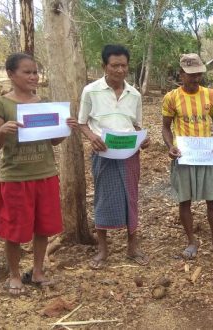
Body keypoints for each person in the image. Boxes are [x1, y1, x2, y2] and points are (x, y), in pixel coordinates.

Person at [0, 53, 75, 295]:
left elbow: (54, 141)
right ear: (11, 74)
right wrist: (3, 130)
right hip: (16, 177)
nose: (33, 77)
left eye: (35, 72)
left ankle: (37, 271)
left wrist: (65, 128)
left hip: (45, 173)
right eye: (27, 72)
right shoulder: (0, 105)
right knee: (14, 229)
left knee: (43, 227)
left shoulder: (43, 104)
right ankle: (14, 275)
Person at [78, 45, 150, 269]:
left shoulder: (134, 94)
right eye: (114, 65)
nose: (120, 70)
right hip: (104, 152)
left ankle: (132, 247)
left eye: (124, 65)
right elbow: (82, 122)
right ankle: (102, 249)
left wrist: (143, 139)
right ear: (104, 66)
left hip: (129, 153)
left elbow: (136, 124)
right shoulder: (91, 91)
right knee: (103, 197)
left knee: (131, 196)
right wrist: (92, 137)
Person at [161, 53, 213, 259]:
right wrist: (170, 146)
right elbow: (166, 128)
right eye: (190, 75)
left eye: (198, 74)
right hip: (184, 156)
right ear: (181, 74)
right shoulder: (171, 98)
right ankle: (191, 241)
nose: (195, 79)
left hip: (205, 155)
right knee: (184, 201)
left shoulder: (210, 95)